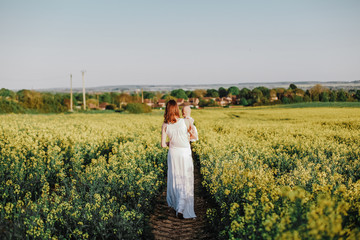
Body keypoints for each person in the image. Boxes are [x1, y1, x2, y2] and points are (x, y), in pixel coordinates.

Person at [161, 100, 196, 219]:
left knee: (176, 178)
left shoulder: (165, 125)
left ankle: (178, 206)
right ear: (176, 109)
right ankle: (181, 208)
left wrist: (170, 142)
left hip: (173, 154)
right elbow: (193, 136)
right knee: (185, 178)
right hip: (184, 153)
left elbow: (163, 145)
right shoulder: (185, 121)